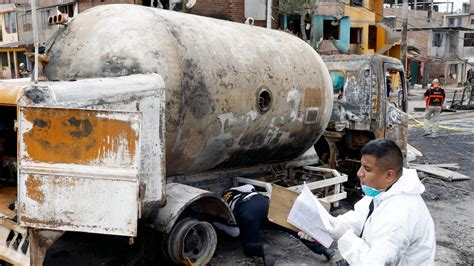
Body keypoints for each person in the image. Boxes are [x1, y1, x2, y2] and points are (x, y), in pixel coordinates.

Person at [299, 139, 436, 265]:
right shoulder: (386, 190)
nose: (359, 173)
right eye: (361, 166)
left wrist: (344, 237)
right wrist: (322, 229)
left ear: (389, 175)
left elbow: (374, 263)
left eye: (367, 169)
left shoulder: (399, 214)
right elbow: (359, 218)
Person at [217, 184, 335, 266]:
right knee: (292, 228)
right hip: (263, 205)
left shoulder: (223, 202)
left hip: (247, 212)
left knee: (248, 245)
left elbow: (234, 232)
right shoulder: (238, 189)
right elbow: (251, 188)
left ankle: (262, 248)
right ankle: (324, 250)